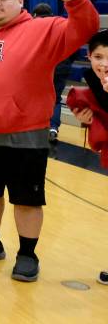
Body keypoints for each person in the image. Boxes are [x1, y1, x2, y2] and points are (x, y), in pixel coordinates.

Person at [0, 0, 97, 282]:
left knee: (27, 198)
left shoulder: (44, 29)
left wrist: (76, 1)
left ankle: (27, 253)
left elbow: (86, 28)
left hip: (26, 130)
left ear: (20, 1)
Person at [64, 31, 108, 285]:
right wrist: (87, 121)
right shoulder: (93, 81)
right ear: (89, 56)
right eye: (98, 57)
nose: (104, 64)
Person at [33, 3, 80, 142]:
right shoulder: (62, 24)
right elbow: (75, 46)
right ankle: (53, 129)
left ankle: (37, 127)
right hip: (61, 67)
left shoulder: (31, 26)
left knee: (36, 98)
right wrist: (67, 62)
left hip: (40, 68)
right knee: (56, 99)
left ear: (35, 15)